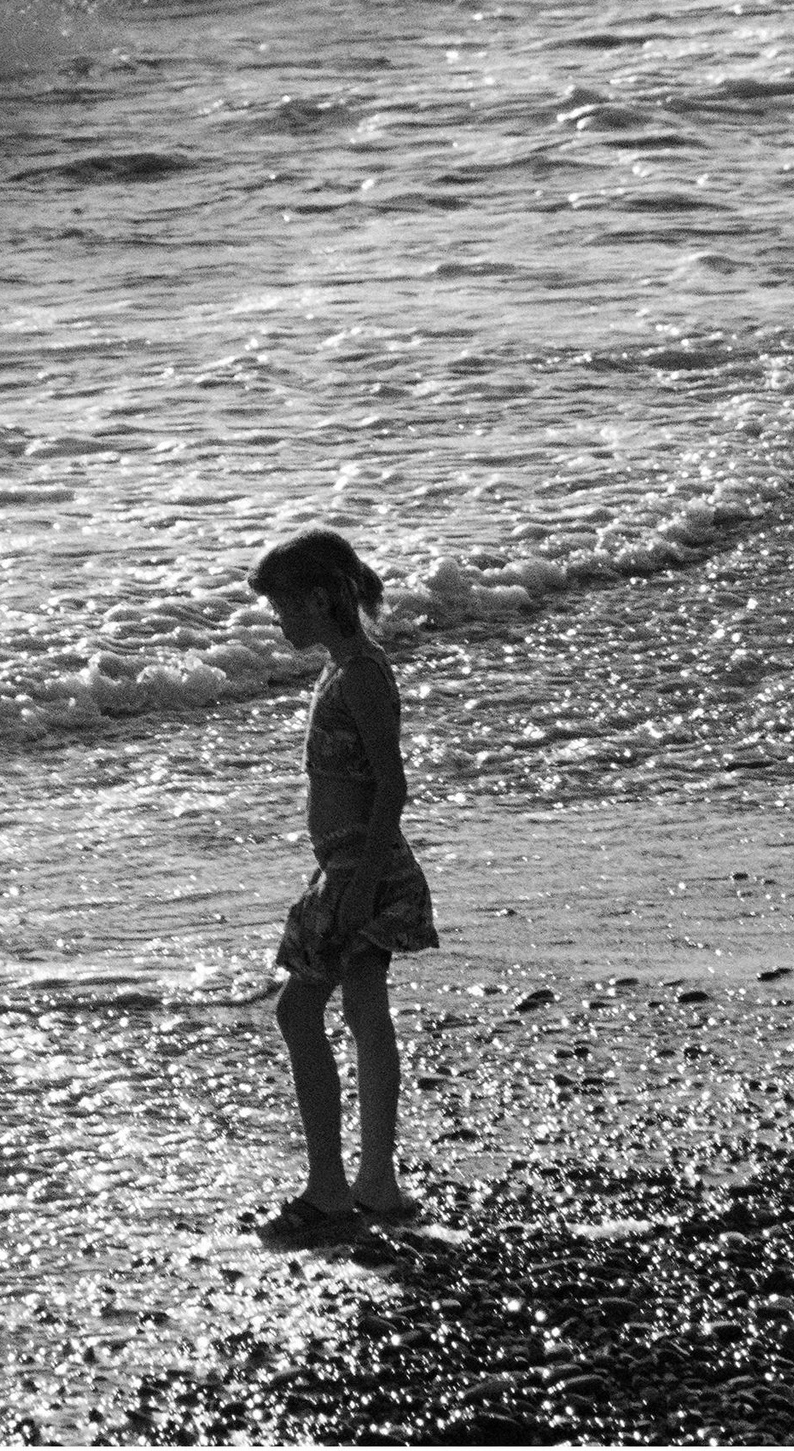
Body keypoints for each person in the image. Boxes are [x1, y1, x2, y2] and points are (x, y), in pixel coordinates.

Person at [246, 528, 437, 1241]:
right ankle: (371, 1184)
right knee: (358, 1009)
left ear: (321, 599)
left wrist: (361, 884)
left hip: (362, 867)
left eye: (283, 608)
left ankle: (337, 1187)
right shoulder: (345, 669)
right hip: (348, 865)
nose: (278, 623)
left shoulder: (360, 674)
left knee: (304, 1012)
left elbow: (392, 785)